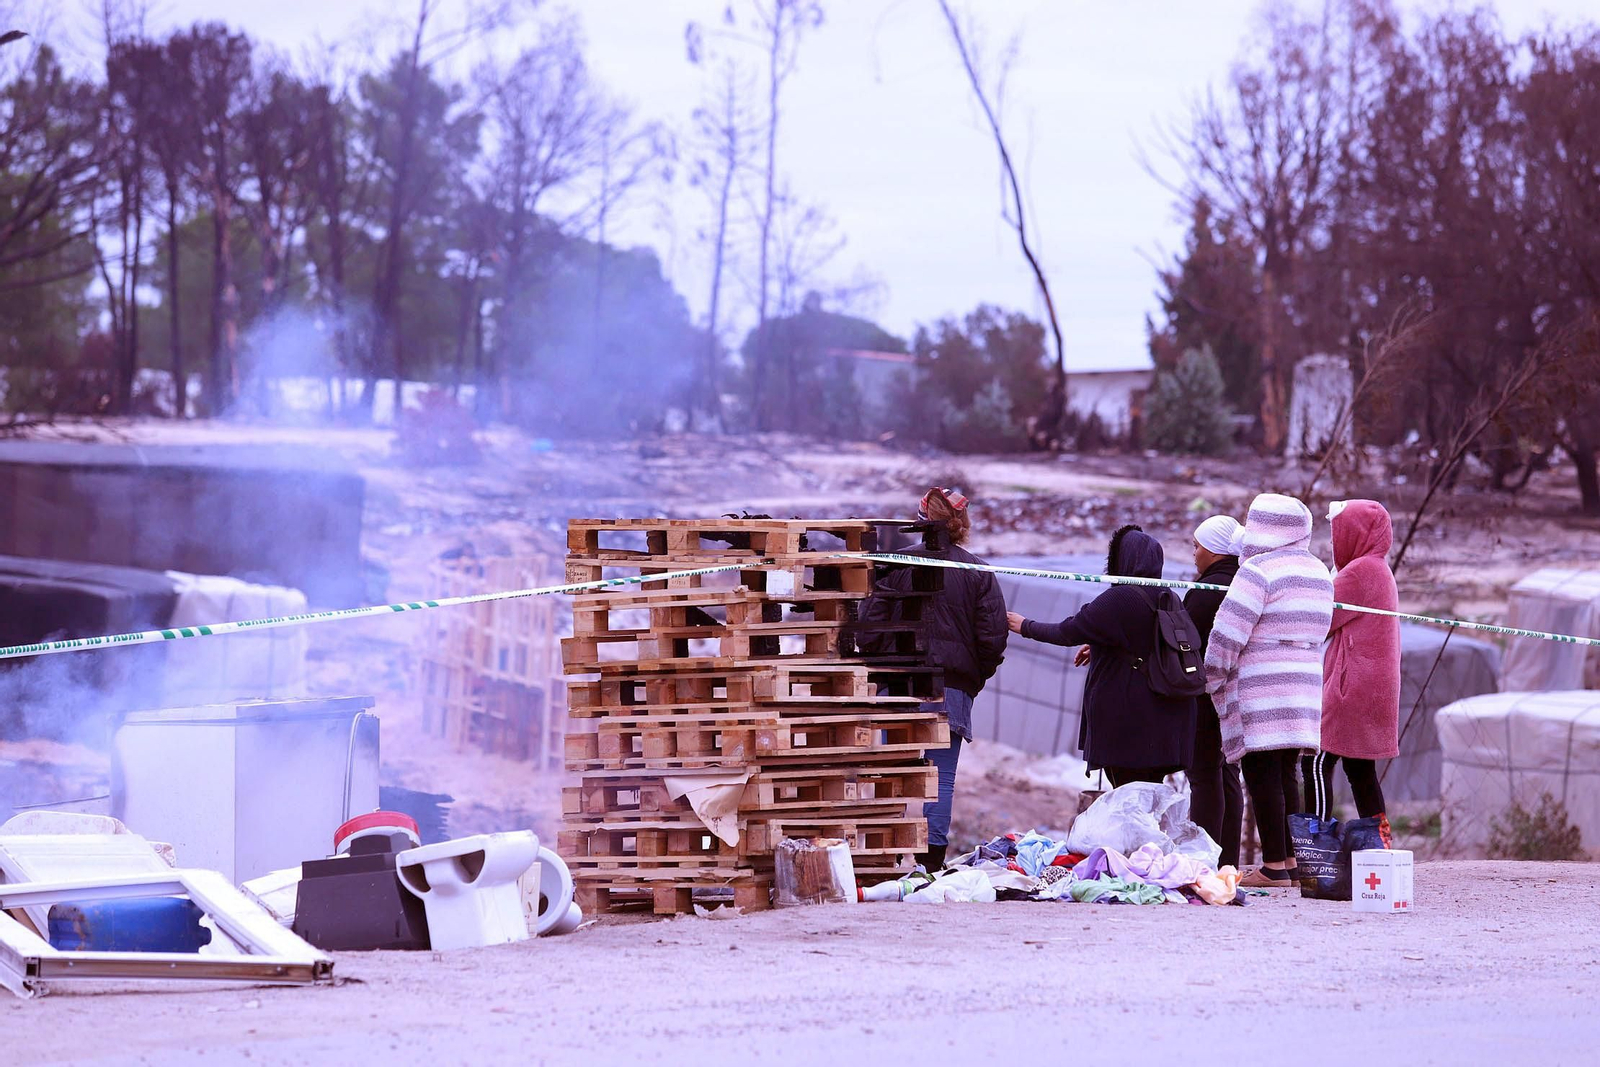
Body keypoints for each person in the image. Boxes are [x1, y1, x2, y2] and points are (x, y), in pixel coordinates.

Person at [861, 488, 1007, 871]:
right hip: (950, 688)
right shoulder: (977, 572)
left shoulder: (894, 565)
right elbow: (992, 638)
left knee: (891, 772)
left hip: (899, 684)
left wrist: (881, 667)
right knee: (941, 779)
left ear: (921, 518)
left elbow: (870, 624)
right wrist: (970, 678)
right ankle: (932, 864)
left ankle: (883, 857)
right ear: (963, 525)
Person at [1204, 493, 1333, 888]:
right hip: (1304, 683)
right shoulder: (1319, 571)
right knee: (1286, 771)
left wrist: (1212, 674)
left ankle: (1274, 865)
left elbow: (1228, 631)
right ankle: (1292, 862)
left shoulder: (1257, 570)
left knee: (1260, 771)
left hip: (1261, 684)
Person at [1006, 525, 1197, 787]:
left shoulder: (1119, 598)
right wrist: (1098, 646)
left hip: (1130, 724)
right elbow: (1143, 641)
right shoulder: (1169, 596)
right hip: (1167, 722)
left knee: (1127, 797)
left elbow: (1068, 631)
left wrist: (1024, 625)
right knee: (1146, 799)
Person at [1303, 499, 1400, 831]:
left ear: (1355, 534)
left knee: (1315, 760)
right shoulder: (1378, 568)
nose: (1334, 543)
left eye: (1338, 533)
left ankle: (1317, 846)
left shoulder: (1362, 571)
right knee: (1360, 769)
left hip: (1352, 684)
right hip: (1372, 684)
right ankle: (1381, 843)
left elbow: (1320, 617)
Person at [1184, 514, 1246, 869]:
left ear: (1215, 550)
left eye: (1197, 546)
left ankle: (1205, 861)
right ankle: (1228, 862)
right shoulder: (1242, 583)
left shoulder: (1206, 594)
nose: (1194, 555)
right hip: (1236, 694)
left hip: (1208, 693)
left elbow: (1184, 641)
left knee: (1204, 774)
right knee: (1226, 775)